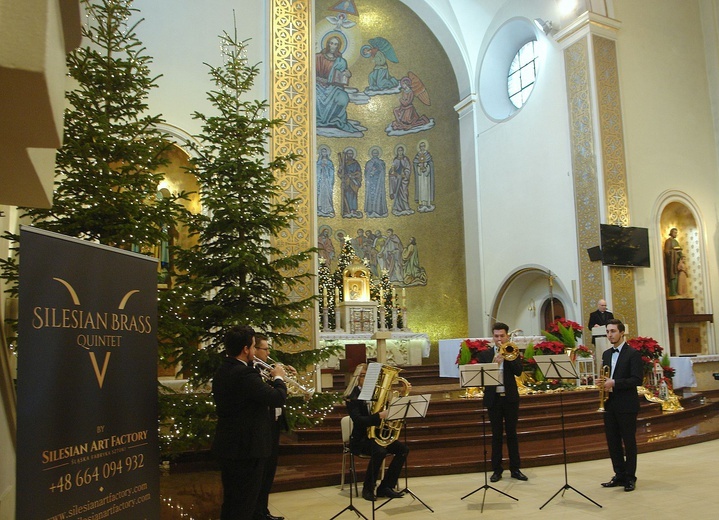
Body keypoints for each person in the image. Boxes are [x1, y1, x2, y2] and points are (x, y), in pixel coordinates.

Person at [211, 326, 287, 520]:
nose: (255, 351)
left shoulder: (225, 368)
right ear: (246, 349)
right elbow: (277, 397)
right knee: (244, 503)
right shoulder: (243, 374)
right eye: (253, 346)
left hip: (230, 446)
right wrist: (278, 377)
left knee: (232, 501)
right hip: (247, 448)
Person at [346, 364, 409, 501]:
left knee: (402, 449)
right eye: (363, 375)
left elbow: (387, 413)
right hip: (360, 440)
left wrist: (395, 412)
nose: (367, 378)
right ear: (357, 377)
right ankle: (368, 488)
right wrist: (379, 416)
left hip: (378, 436)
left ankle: (386, 487)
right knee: (380, 451)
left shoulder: (378, 392)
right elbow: (358, 420)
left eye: (370, 375)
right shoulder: (352, 396)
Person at [477, 322, 528, 482]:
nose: (499, 339)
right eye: (496, 336)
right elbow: (482, 377)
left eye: (502, 336)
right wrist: (494, 362)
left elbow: (518, 371)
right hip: (494, 400)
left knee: (512, 434)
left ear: (507, 336)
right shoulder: (485, 354)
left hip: (510, 398)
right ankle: (497, 470)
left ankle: (515, 469)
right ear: (493, 337)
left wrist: (508, 358)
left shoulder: (512, 352)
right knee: (496, 435)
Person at [599, 319, 643, 492]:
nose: (610, 335)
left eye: (613, 331)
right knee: (613, 442)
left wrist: (614, 382)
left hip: (627, 405)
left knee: (629, 442)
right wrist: (602, 383)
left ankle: (630, 477)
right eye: (608, 332)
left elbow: (637, 379)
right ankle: (619, 474)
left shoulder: (633, 354)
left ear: (622, 332)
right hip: (610, 404)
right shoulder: (606, 354)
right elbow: (606, 377)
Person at [254, 334, 289, 520]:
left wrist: (282, 376)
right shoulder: (252, 371)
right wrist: (278, 378)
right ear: (254, 350)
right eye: (265, 349)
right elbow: (271, 394)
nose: (268, 353)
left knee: (269, 471)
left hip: (273, 424)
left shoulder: (263, 369)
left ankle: (263, 511)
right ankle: (258, 512)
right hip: (262, 426)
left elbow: (279, 393)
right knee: (262, 472)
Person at [664, 227, 682, 296]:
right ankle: (672, 292)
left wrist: (681, 255)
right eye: (674, 232)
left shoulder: (676, 242)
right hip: (672, 263)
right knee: (673, 277)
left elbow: (680, 251)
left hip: (677, 262)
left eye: (676, 233)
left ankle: (677, 291)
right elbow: (666, 251)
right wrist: (674, 252)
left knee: (678, 278)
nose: (676, 234)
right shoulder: (668, 241)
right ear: (671, 233)